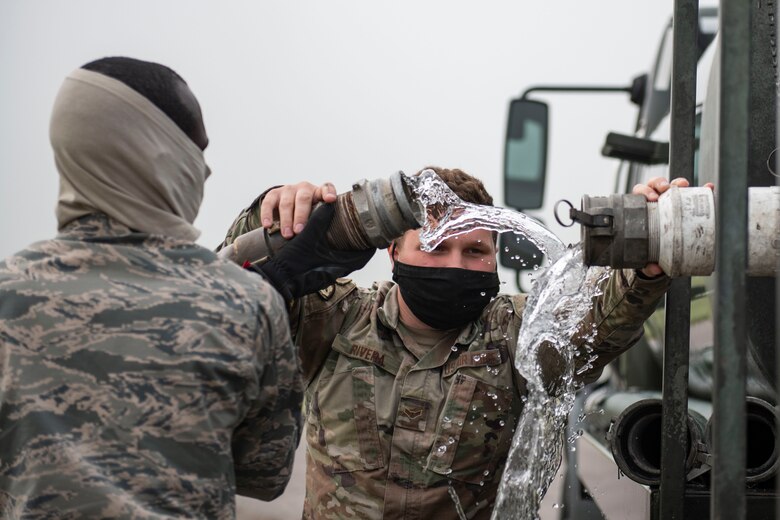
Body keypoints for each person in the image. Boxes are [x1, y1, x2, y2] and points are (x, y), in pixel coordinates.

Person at [218, 167, 684, 519]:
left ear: (496, 257)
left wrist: (644, 254)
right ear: (393, 251)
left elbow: (601, 313)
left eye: (475, 251)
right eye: (436, 246)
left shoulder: (519, 331)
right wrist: (273, 214)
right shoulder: (335, 316)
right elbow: (226, 295)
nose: (454, 264)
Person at [0, 57, 305, 519]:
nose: (205, 171)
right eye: (196, 150)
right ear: (158, 152)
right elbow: (265, 475)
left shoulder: (9, 294)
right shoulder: (246, 303)